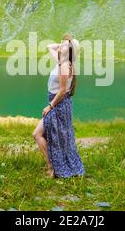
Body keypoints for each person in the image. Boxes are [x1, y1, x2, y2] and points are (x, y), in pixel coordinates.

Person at [32, 34, 85, 178]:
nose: (61, 44)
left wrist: (50, 106)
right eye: (62, 43)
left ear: (70, 51)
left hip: (58, 106)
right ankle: (53, 166)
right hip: (59, 104)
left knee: (38, 134)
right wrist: (65, 45)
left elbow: (62, 91)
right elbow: (50, 46)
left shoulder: (65, 67)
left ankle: (52, 167)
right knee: (57, 138)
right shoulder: (62, 62)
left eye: (65, 45)